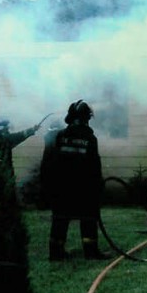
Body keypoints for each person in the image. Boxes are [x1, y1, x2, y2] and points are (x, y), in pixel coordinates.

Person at [40, 100, 110, 261]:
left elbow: (52, 163)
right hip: (84, 188)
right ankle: (91, 252)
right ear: (87, 118)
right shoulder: (90, 138)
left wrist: (50, 186)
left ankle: (55, 253)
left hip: (62, 187)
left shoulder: (60, 136)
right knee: (88, 219)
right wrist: (98, 187)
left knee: (60, 219)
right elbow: (94, 167)